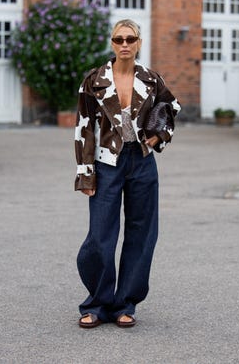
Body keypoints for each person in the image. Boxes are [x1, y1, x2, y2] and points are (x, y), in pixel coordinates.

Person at [74, 19, 181, 328]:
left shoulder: (151, 78)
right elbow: (83, 127)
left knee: (142, 234)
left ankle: (126, 303)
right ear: (111, 43)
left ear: (138, 43)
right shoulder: (94, 80)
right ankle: (97, 302)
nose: (124, 44)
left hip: (142, 162)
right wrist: (85, 173)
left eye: (130, 38)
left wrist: (158, 136)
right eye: (119, 38)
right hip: (106, 163)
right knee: (99, 236)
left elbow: (171, 108)